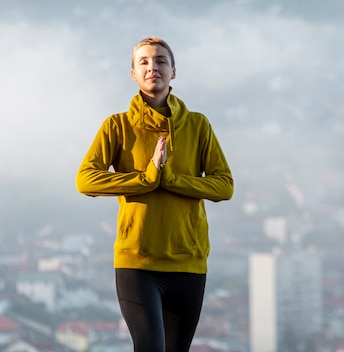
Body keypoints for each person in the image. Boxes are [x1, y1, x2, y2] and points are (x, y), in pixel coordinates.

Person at [76, 36, 234, 351]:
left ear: (173, 71)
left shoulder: (198, 126)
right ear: (133, 74)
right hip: (137, 261)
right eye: (144, 62)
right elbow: (86, 180)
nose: (153, 67)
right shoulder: (117, 126)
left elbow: (224, 185)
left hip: (188, 262)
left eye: (161, 61)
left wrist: (171, 179)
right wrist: (147, 178)